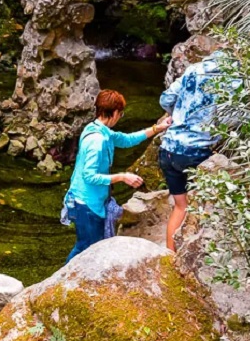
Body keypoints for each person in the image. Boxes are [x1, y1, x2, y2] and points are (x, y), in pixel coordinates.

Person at [63, 90, 172, 263]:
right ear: (113, 113)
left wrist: (157, 128)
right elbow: (89, 176)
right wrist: (121, 176)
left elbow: (127, 140)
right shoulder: (97, 141)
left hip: (91, 200)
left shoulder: (98, 129)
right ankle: (62, 280)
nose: (120, 116)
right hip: (86, 203)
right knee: (85, 247)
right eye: (120, 113)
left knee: (90, 245)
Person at [159, 51, 235, 252]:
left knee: (180, 206)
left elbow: (166, 98)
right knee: (207, 205)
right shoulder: (232, 78)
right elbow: (235, 117)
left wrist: (176, 116)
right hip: (195, 153)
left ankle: (169, 257)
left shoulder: (193, 70)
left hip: (168, 149)